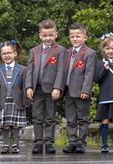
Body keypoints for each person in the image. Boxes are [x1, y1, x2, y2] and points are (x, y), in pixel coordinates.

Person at [25, 19, 66, 154]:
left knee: (50, 117)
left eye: (50, 35)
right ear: (40, 35)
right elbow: (30, 70)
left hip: (51, 90)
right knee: (37, 116)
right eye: (44, 35)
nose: (47, 38)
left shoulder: (60, 50)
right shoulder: (34, 51)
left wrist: (57, 88)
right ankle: (37, 143)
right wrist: (28, 86)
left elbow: (61, 70)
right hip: (37, 89)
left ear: (56, 34)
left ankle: (49, 142)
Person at [62, 23, 96, 154]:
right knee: (70, 119)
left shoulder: (90, 53)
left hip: (82, 92)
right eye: (72, 37)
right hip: (68, 91)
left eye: (78, 36)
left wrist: (86, 90)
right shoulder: (67, 52)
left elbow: (89, 73)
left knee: (82, 119)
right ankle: (72, 142)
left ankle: (81, 143)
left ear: (85, 37)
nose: (75, 39)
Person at [0, 40, 28, 154]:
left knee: (16, 124)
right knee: (4, 124)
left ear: (15, 53)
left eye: (9, 53)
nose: (7, 55)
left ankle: (16, 145)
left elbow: (26, 85)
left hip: (17, 100)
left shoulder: (23, 69)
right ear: (0, 55)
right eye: (4, 53)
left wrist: (26, 100)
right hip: (3, 100)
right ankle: (5, 145)